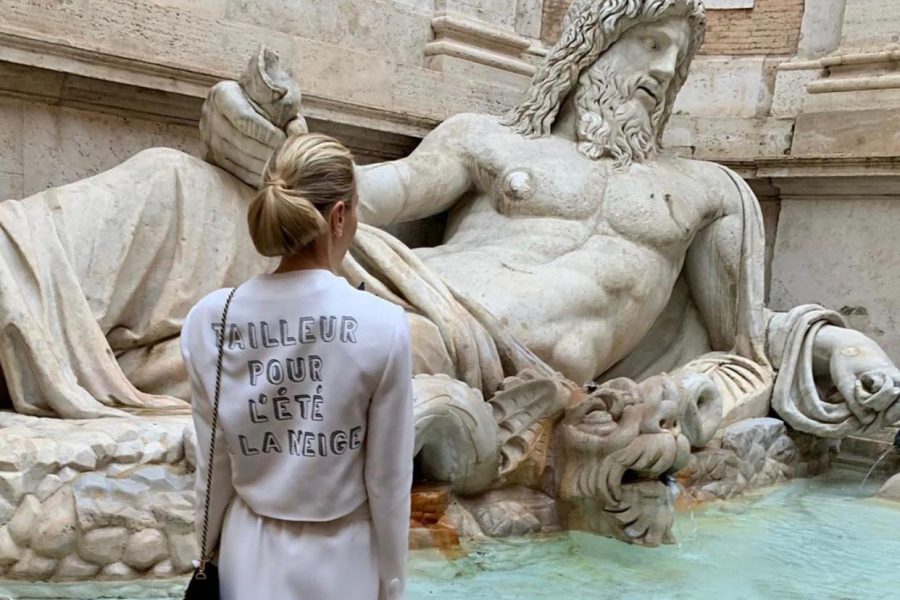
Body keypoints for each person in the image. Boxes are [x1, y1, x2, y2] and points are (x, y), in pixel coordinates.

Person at [180, 133, 414, 600]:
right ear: (340, 215)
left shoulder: (211, 318)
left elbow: (215, 464)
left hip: (247, 549)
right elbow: (387, 483)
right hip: (345, 559)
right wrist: (391, 581)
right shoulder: (383, 324)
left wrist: (204, 552)